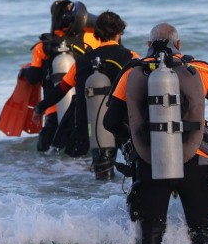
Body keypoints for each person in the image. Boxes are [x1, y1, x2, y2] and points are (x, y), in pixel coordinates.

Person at [103, 23, 208, 244]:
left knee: (151, 237)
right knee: (200, 233)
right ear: (178, 44)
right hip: (197, 159)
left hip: (150, 159)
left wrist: (136, 140)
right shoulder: (200, 70)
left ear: (148, 46)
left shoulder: (131, 72)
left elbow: (110, 122)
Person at [33, 10, 139, 178]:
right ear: (119, 33)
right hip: (120, 128)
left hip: (85, 130)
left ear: (97, 35)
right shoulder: (130, 57)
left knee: (86, 169)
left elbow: (61, 90)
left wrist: (39, 108)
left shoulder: (82, 61)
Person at [19, 0, 99, 152]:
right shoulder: (89, 39)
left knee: (48, 150)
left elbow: (34, 77)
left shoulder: (42, 46)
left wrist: (24, 71)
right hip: (83, 106)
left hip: (53, 108)